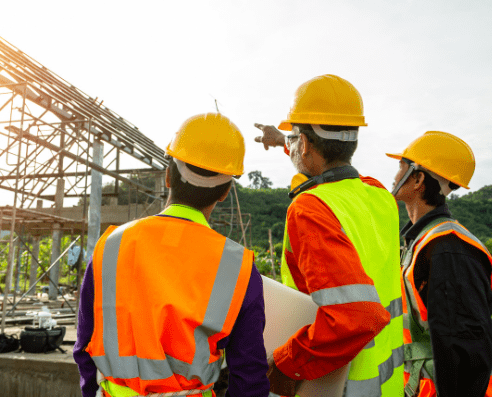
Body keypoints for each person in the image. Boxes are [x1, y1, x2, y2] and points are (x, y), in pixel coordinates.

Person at [74, 113, 269, 397]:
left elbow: (84, 348)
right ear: (226, 191)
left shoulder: (110, 247)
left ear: (168, 176)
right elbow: (249, 377)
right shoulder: (237, 267)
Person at [254, 74, 404, 396]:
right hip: (385, 384)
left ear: (305, 144)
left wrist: (283, 365)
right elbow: (319, 160)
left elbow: (355, 317)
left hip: (334, 385)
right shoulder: (379, 196)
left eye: (295, 139)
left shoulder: (312, 208)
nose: (292, 145)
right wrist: (283, 140)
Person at [387, 131, 492, 397]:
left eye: (401, 168)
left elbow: (464, 349)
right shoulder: (423, 240)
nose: (395, 177)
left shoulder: (448, 249)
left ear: (418, 178)